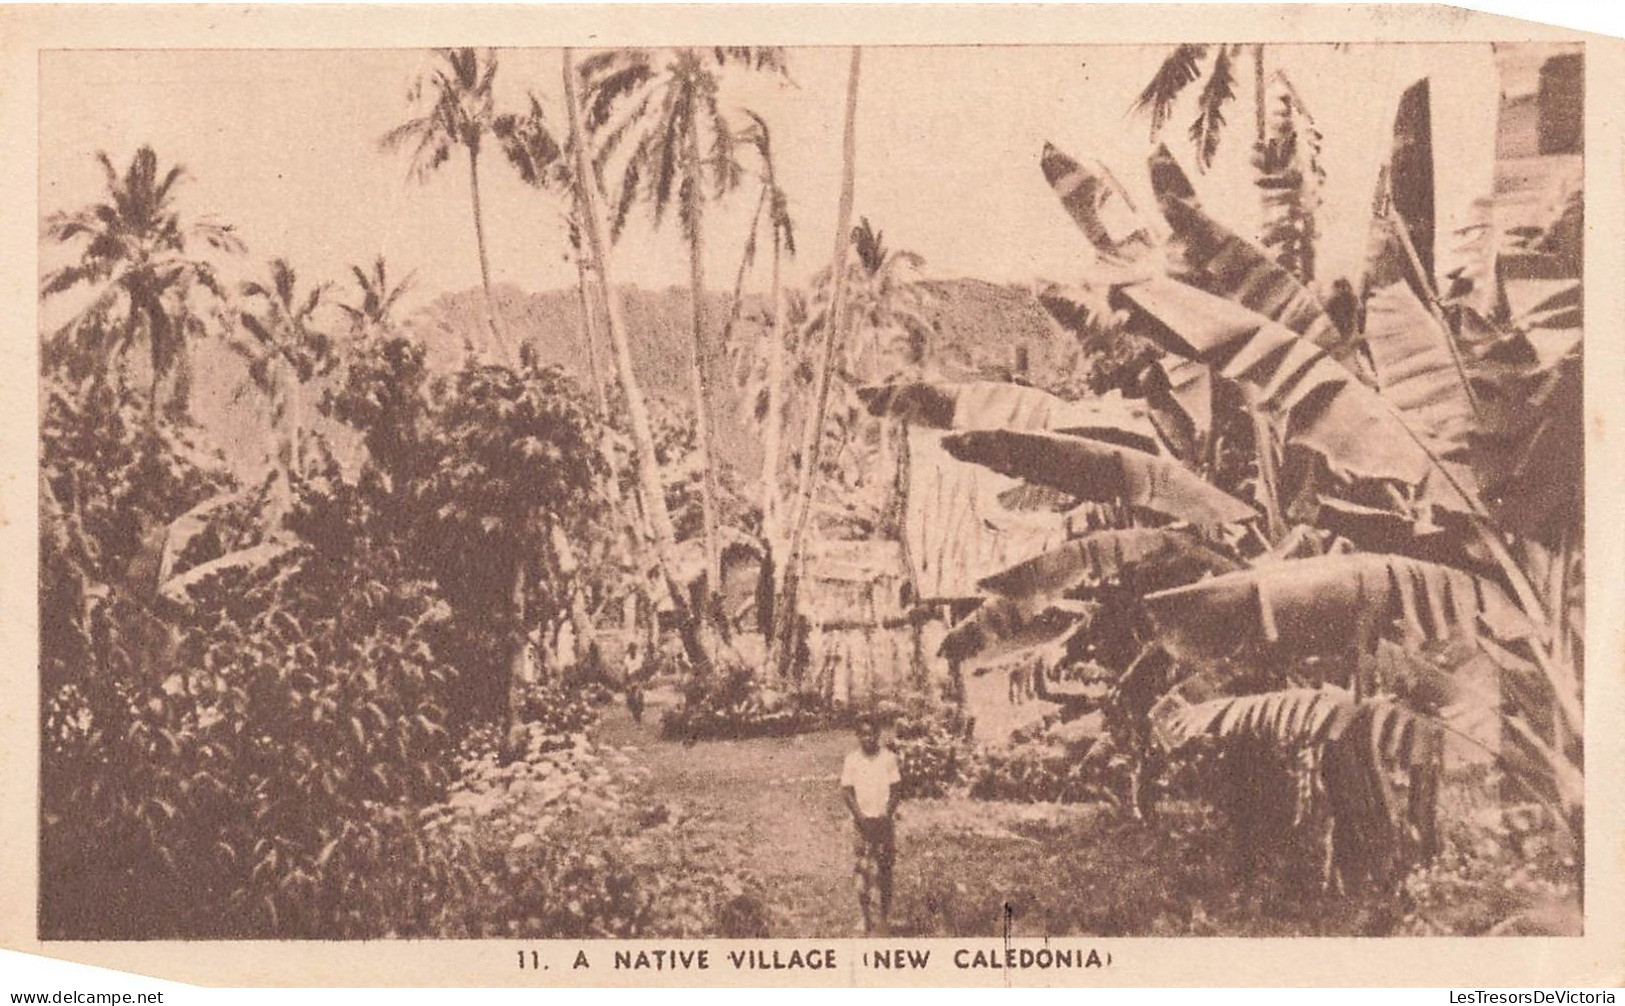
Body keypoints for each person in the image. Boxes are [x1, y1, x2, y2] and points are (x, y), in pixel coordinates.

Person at [840, 715, 902, 935]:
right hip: (861, 823)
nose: (868, 738)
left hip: (883, 822)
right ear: (858, 736)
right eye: (863, 734)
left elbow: (896, 790)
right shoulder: (852, 760)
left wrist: (887, 813)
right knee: (862, 869)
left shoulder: (888, 758)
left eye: (872, 733)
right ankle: (865, 917)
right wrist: (859, 817)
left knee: (885, 870)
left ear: (878, 734)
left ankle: (885, 917)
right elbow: (847, 791)